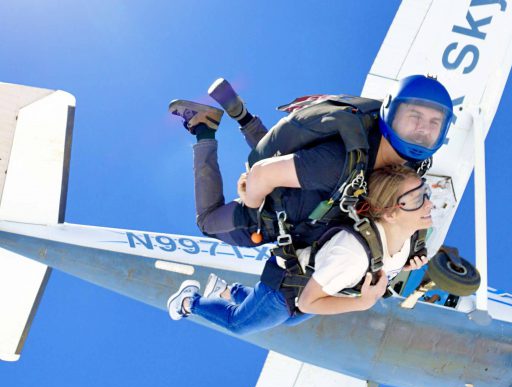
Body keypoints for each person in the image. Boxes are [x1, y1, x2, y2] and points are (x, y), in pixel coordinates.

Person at [168, 75, 453, 248]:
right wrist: (251, 205)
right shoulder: (338, 162)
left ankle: (240, 114)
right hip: (277, 203)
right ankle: (204, 128)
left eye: (434, 122)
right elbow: (262, 176)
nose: (423, 129)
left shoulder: (410, 165)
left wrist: (415, 245)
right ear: (391, 112)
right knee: (207, 223)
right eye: (414, 116)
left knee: (284, 163)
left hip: (301, 183)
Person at [166, 165, 434, 334]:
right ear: (388, 214)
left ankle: (228, 290)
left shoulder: (410, 237)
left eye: (425, 193)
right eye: (416, 200)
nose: (428, 205)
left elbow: (384, 260)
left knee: (288, 321)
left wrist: (404, 265)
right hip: (288, 288)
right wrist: (362, 303)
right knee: (238, 324)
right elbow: (307, 302)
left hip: (316, 288)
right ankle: (190, 301)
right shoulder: (351, 255)